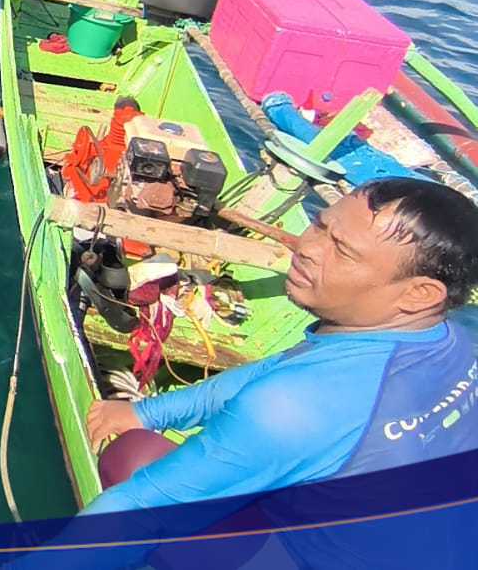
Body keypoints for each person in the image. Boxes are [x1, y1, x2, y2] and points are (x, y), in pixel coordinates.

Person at [83, 177, 478, 517]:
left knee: (129, 460)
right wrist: (148, 411)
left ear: (419, 294)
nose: (307, 248)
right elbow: (278, 369)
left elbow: (136, 508)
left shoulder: (297, 406)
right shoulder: (458, 328)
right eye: (320, 224)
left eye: (342, 250)